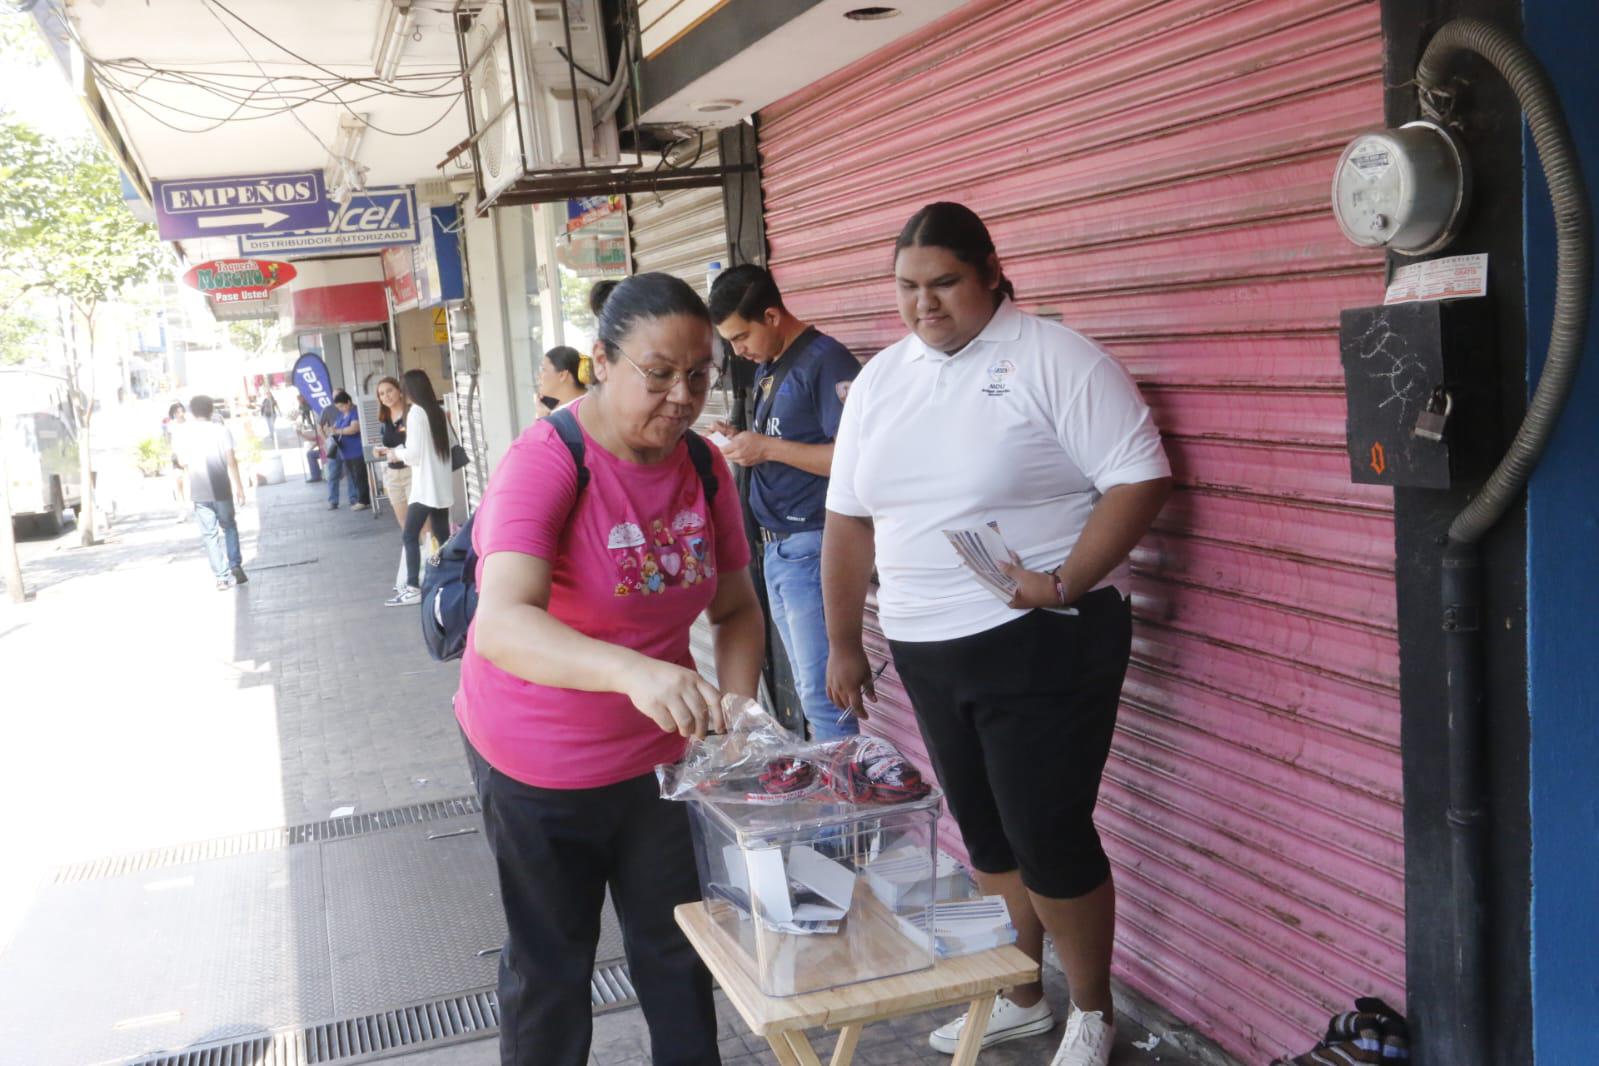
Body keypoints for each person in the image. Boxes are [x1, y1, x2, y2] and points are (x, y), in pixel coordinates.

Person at [822, 203, 1173, 1066]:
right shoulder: (880, 381)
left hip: (1041, 640)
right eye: (906, 287)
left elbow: (1138, 477)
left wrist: (1062, 583)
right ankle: (1020, 994)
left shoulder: (1054, 358)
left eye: (942, 283)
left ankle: (1091, 1011)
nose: (923, 304)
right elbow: (848, 518)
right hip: (924, 644)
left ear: (988, 272)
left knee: (1047, 832)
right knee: (984, 834)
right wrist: (843, 642)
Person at [456, 272, 765, 1066]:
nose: (681, 395)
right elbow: (502, 622)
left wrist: (732, 718)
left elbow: (734, 609)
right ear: (600, 360)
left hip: (660, 765)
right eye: (657, 373)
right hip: (538, 764)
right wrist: (634, 673)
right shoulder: (547, 460)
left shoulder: (702, 466)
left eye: (699, 375)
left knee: (678, 953)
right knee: (552, 967)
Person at [708, 264, 862, 742]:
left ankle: (846, 814)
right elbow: (785, 442)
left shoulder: (825, 362)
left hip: (815, 546)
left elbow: (855, 458)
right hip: (778, 549)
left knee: (824, 699)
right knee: (810, 690)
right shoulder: (771, 368)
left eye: (740, 337)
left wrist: (767, 449)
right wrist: (744, 442)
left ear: (772, 315)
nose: (738, 351)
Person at [375, 371, 453, 607]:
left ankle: (413, 587)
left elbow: (414, 454)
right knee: (442, 537)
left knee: (410, 535)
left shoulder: (417, 413)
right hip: (440, 486)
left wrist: (394, 453)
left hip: (424, 487)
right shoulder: (437, 412)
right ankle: (446, 579)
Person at [172, 394, 249, 591]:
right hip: (222, 487)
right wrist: (239, 488)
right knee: (229, 526)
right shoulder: (222, 431)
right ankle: (235, 565)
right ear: (211, 410)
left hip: (199, 490)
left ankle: (221, 578)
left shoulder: (184, 433)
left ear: (192, 412)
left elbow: (182, 462)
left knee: (209, 535)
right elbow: (231, 461)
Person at [325, 390, 370, 511]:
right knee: (353, 477)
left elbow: (354, 429)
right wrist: (332, 429)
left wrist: (338, 431)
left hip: (356, 450)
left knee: (360, 476)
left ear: (348, 402)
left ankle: (363, 500)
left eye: (342, 406)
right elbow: (335, 427)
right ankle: (360, 499)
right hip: (346, 452)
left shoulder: (354, 413)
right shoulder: (341, 415)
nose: (340, 409)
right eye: (338, 407)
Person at [537, 345, 588, 412]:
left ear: (562, 375)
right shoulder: (590, 402)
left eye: (543, 369)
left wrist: (542, 419)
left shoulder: (584, 411)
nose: (539, 376)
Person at [164, 401, 190, 520]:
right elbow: (168, 441)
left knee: (194, 481)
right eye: (177, 412)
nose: (180, 414)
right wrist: (171, 453)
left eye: (181, 411)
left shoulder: (190, 423)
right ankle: (182, 510)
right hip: (176, 455)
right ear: (173, 413)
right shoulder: (171, 425)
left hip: (190, 454)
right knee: (178, 483)